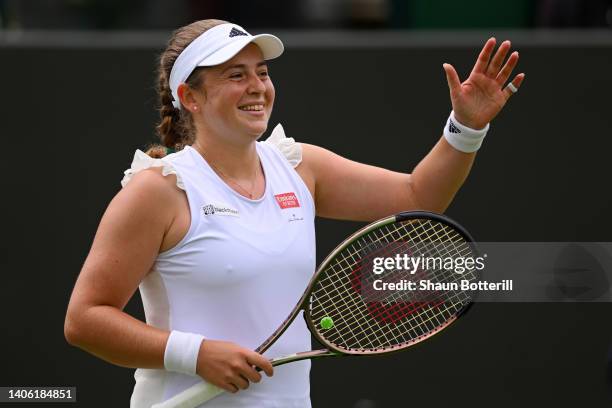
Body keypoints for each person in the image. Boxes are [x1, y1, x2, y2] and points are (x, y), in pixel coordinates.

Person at [64, 19, 524, 408]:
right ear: (190, 96)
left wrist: (466, 127)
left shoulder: (301, 167)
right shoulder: (158, 191)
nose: (256, 88)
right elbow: (85, 319)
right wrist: (196, 353)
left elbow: (418, 196)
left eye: (261, 73)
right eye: (235, 75)